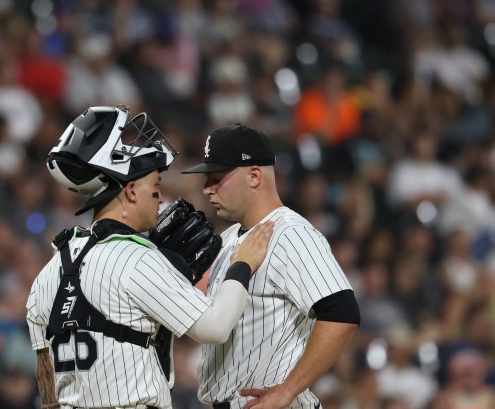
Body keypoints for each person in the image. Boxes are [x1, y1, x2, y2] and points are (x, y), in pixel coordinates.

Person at [25, 106, 273, 409]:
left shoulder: (47, 274)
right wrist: (242, 264)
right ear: (130, 191)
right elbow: (215, 327)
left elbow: (46, 384)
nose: (159, 196)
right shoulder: (134, 258)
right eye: (155, 185)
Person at [182, 124, 360, 409]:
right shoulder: (229, 238)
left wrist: (287, 391)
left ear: (253, 176)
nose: (206, 189)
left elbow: (342, 314)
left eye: (216, 178)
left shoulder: (291, 234)